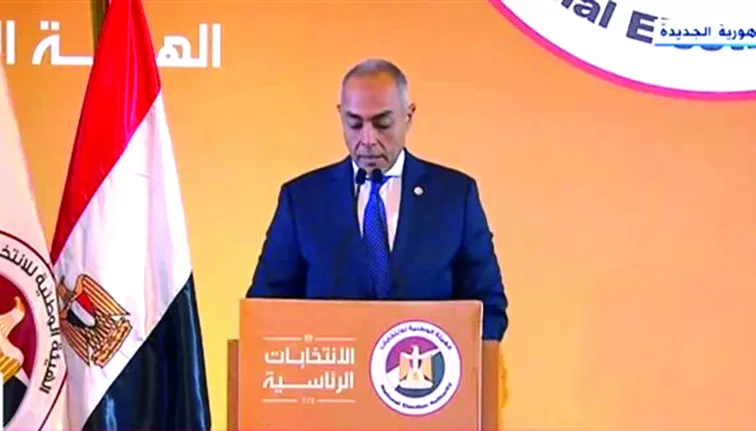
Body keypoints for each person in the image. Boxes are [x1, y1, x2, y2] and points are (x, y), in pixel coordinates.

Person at [246, 58, 508, 340]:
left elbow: (488, 307)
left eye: (382, 124)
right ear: (340, 116)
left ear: (408, 116)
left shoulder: (455, 196)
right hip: (329, 364)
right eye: (354, 124)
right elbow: (265, 308)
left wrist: (455, 357)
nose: (368, 139)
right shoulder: (302, 200)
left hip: (422, 364)